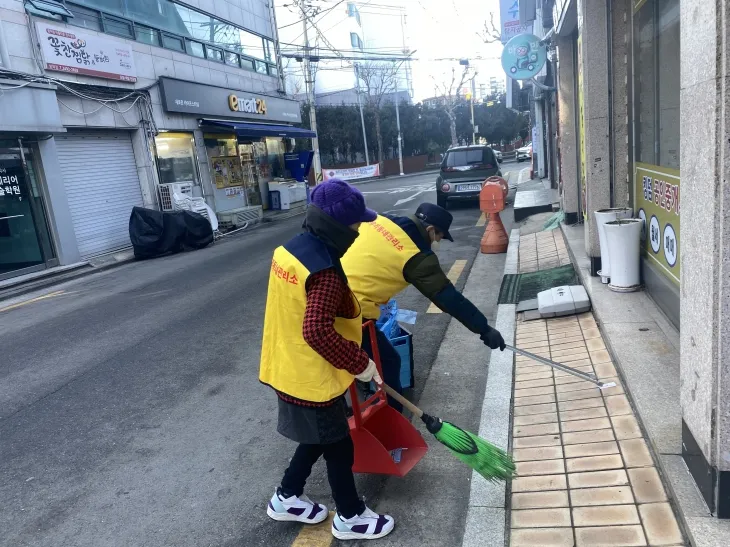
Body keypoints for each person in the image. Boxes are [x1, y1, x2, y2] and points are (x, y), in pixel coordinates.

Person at [259, 178, 395, 541]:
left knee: (320, 436)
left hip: (286, 363)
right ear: (338, 227)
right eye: (355, 225)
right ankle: (349, 517)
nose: (358, 230)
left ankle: (286, 496)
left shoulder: (290, 250)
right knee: (338, 445)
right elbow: (317, 330)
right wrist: (360, 362)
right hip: (310, 375)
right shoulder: (325, 272)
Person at [341, 202, 506, 410]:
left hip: (327, 292)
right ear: (429, 230)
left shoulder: (382, 219)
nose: (438, 242)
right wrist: (484, 329)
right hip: (351, 312)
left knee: (347, 359)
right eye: (439, 237)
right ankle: (394, 422)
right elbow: (448, 298)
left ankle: (345, 404)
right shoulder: (416, 255)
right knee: (388, 361)